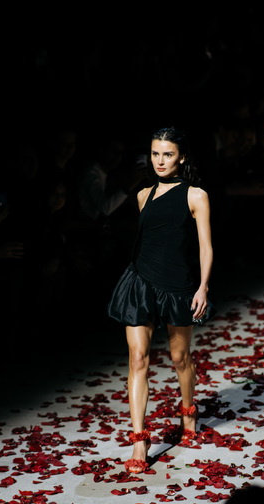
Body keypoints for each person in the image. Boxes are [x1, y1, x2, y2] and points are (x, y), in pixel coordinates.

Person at [106, 126, 213, 473]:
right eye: (155, 153)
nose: (160, 160)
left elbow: (205, 246)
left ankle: (188, 411)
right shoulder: (143, 195)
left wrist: (203, 287)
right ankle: (140, 439)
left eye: (168, 154)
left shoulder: (195, 195)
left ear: (181, 157)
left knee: (180, 357)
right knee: (138, 358)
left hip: (178, 285)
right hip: (140, 282)